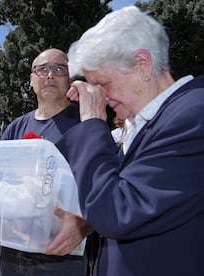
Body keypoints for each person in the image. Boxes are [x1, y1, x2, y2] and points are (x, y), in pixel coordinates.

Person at [52, 6, 204, 276]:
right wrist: (85, 222)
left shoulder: (193, 115)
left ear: (142, 65)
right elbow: (143, 202)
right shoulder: (150, 122)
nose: (101, 98)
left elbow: (118, 212)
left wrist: (91, 122)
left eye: (103, 83)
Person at [0, 49, 92, 276]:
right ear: (31, 80)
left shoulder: (86, 125)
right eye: (42, 69)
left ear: (70, 78)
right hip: (11, 248)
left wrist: (83, 227)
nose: (50, 75)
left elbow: (100, 187)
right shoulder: (16, 127)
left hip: (61, 253)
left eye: (59, 69)